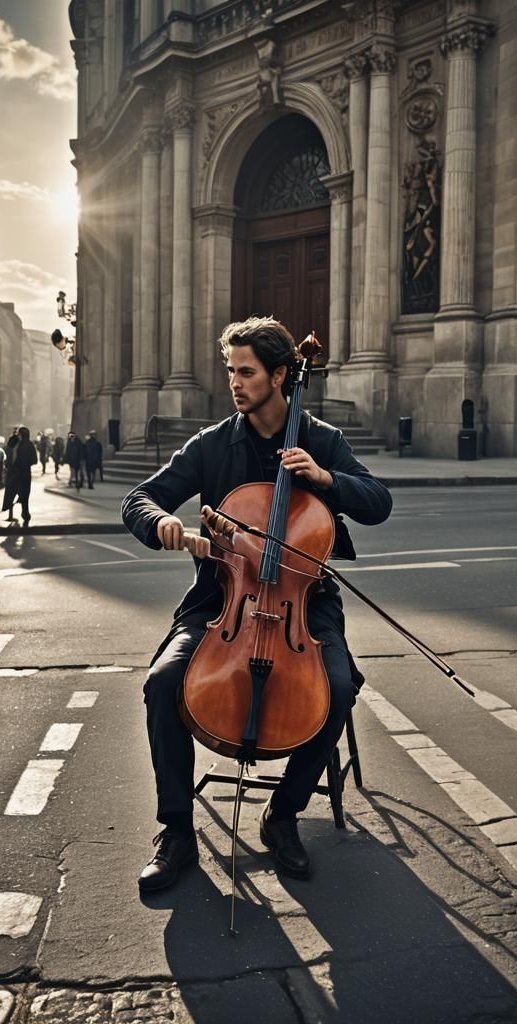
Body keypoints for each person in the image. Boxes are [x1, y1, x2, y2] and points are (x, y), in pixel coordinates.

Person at [122, 317, 392, 893]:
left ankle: (284, 816)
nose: (235, 383)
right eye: (230, 371)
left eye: (246, 372)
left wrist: (326, 479)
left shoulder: (320, 440)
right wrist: (162, 522)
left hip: (304, 605)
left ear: (279, 376)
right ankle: (175, 831)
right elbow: (138, 499)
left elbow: (378, 502)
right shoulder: (214, 444)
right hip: (223, 601)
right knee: (162, 681)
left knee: (339, 688)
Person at [2, 425, 37, 526]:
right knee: (25, 495)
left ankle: (12, 512)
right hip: (26, 473)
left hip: (15, 473)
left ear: (21, 435)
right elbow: (34, 460)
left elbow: (8, 450)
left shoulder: (17, 445)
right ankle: (25, 513)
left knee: (11, 493)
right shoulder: (30, 445)